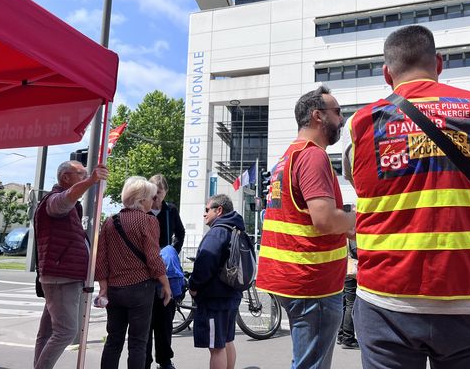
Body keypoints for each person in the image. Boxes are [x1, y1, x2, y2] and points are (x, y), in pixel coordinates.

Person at [342, 25, 470, 369]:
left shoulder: (359, 124)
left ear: (387, 74)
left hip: (387, 298)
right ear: (439, 63)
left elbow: (359, 183)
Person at [256, 86, 356, 369]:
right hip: (313, 283)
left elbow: (303, 214)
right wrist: (354, 221)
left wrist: (342, 217)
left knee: (305, 361)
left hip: (294, 278)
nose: (342, 120)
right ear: (317, 116)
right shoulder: (313, 156)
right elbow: (323, 219)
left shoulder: (288, 157)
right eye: (338, 113)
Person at [33, 160, 108, 369]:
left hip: (62, 275)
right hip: (61, 277)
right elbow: (64, 200)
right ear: (65, 177)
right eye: (81, 174)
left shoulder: (72, 205)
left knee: (48, 331)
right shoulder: (54, 200)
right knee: (65, 331)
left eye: (86, 175)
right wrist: (92, 180)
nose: (85, 177)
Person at [95, 176, 172, 369]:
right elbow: (154, 259)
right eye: (151, 197)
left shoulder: (110, 222)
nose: (153, 201)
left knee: (113, 340)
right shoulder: (148, 221)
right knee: (138, 342)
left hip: (114, 289)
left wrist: (103, 288)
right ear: (141, 199)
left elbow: (101, 260)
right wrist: (166, 284)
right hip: (140, 288)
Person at [188, 194, 244, 369]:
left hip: (215, 299)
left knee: (216, 347)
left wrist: (193, 286)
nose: (204, 214)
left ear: (218, 210)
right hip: (231, 294)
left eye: (206, 210)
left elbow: (205, 263)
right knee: (227, 340)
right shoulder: (236, 229)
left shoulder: (217, 232)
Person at [146, 174, 186, 369]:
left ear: (165, 193)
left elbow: (180, 232)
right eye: (153, 195)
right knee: (145, 320)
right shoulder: (142, 209)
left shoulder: (170, 210)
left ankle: (164, 360)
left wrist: (172, 252)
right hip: (144, 268)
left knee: (164, 319)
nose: (156, 200)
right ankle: (145, 360)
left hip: (165, 268)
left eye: (159, 195)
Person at [337, 238, 358, 350]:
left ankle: (341, 335)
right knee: (351, 303)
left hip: (342, 267)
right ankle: (348, 338)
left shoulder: (341, 230)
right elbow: (355, 250)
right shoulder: (351, 232)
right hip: (351, 269)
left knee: (344, 303)